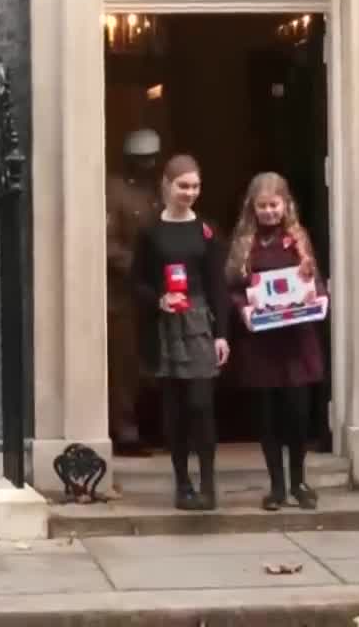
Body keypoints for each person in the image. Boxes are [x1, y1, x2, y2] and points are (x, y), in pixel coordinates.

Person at [130, 154, 230, 511]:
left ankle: (207, 483)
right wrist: (159, 299)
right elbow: (137, 281)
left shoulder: (207, 230)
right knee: (175, 411)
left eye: (195, 186)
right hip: (166, 328)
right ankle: (182, 483)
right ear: (167, 185)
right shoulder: (150, 232)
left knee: (201, 405)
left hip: (200, 324)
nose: (189, 192)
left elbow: (218, 285)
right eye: (182, 185)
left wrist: (222, 334)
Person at [226, 172, 325, 511]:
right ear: (252, 208)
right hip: (261, 344)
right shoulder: (244, 243)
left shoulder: (297, 238)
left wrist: (317, 298)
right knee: (267, 419)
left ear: (286, 205)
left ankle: (299, 481)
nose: (269, 212)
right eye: (262, 206)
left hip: (297, 342)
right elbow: (233, 289)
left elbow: (315, 281)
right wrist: (244, 310)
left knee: (297, 416)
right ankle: (277, 487)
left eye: (274, 205)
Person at [106, 128, 162, 457]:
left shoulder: (159, 192)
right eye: (142, 160)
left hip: (158, 291)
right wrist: (136, 268)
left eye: (153, 159)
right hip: (124, 293)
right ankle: (126, 431)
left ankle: (156, 426)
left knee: (156, 361)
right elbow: (108, 242)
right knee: (126, 364)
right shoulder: (114, 191)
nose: (149, 164)